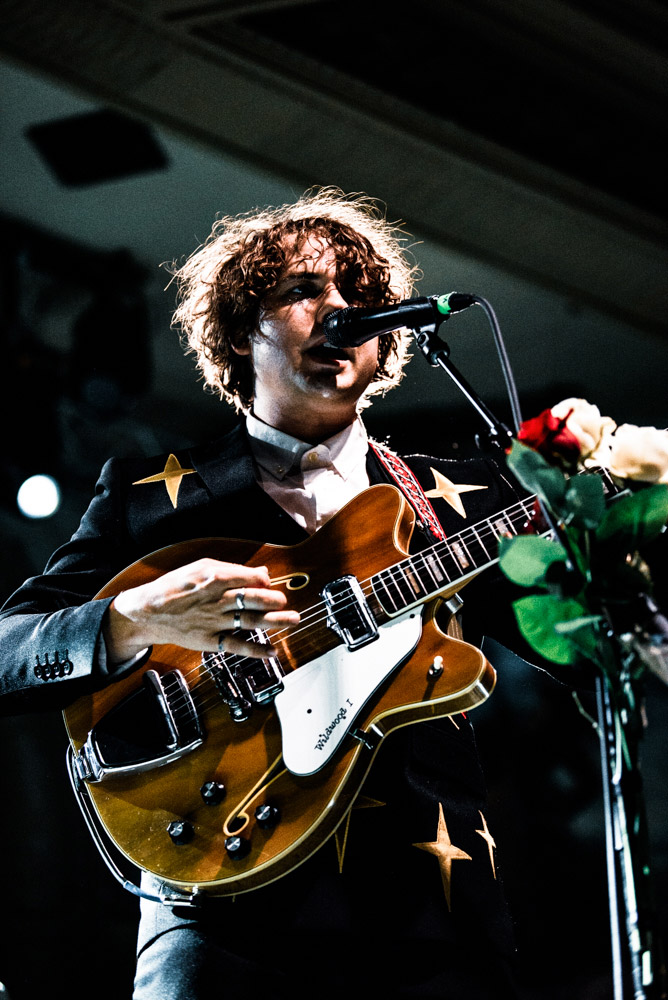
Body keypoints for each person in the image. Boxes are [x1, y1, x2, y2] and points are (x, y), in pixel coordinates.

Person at [0, 187, 536, 998]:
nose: (340, 310)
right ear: (241, 329)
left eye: (360, 296)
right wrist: (137, 616)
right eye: (304, 291)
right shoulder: (147, 495)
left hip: (433, 913)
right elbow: (8, 651)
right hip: (220, 908)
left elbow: (589, 647)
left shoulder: (465, 494)